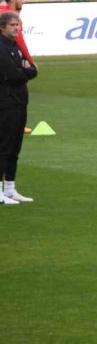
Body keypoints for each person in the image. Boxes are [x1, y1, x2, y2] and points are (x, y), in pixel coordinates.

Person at [0, 12, 37, 205]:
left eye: (18, 25)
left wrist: (24, 70)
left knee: (15, 147)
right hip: (6, 103)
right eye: (13, 25)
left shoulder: (15, 46)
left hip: (20, 102)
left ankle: (10, 189)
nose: (16, 28)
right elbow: (12, 74)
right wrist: (24, 71)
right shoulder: (1, 48)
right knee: (4, 146)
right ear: (2, 27)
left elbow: (32, 69)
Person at [0, 0, 33, 65]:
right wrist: (30, 61)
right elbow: (19, 40)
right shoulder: (12, 17)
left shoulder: (2, 11)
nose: (23, 1)